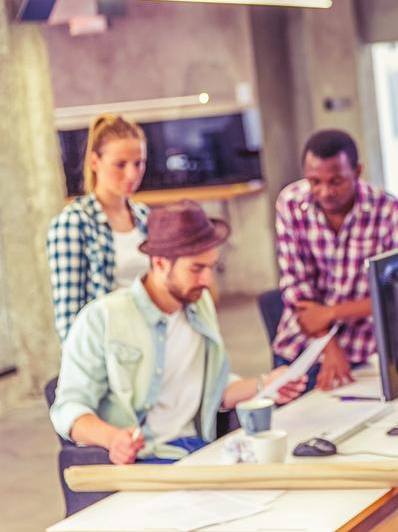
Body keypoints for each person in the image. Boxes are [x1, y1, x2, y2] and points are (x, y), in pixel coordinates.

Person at [50, 200, 305, 464]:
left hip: (199, 450)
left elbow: (212, 389)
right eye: (196, 269)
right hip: (146, 459)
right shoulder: (102, 317)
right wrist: (113, 438)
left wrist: (267, 383)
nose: (208, 281)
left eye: (212, 267)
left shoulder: (199, 303)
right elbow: (68, 409)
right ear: (160, 264)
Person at [273, 130, 398, 391]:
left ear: (357, 171)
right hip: (301, 350)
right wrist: (329, 347)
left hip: (366, 352)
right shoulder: (289, 203)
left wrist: (331, 312)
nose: (325, 192)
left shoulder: (388, 211)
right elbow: (296, 288)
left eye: (336, 181)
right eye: (314, 181)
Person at [48, 114, 150, 343]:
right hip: (108, 347)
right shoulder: (74, 223)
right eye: (120, 164)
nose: (132, 174)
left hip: (152, 341)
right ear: (95, 162)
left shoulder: (145, 216)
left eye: (139, 162)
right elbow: (69, 321)